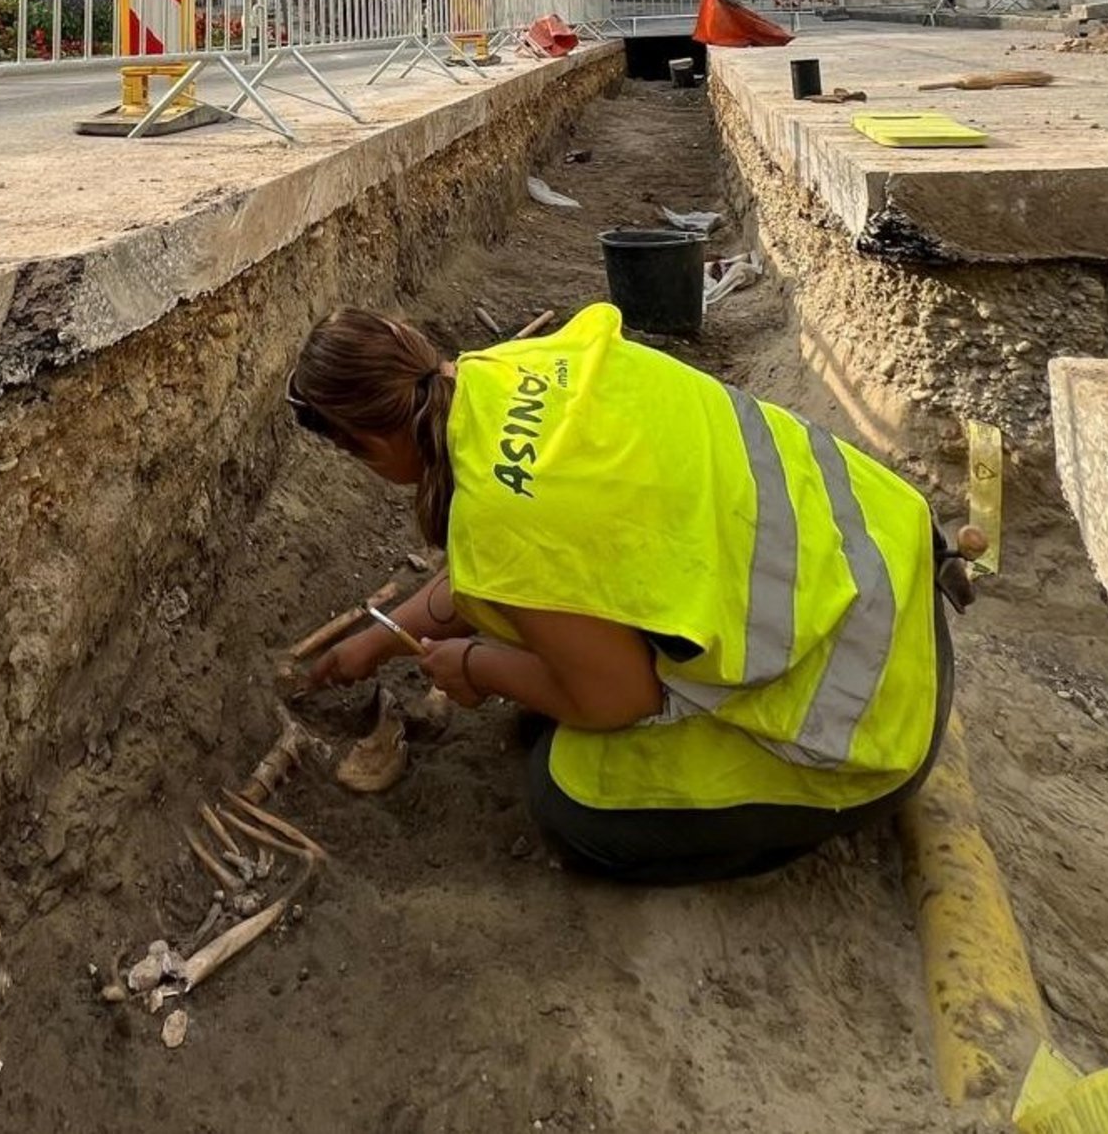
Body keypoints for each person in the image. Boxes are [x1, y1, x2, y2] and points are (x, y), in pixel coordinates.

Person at [289, 303, 958, 886]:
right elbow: (520, 558)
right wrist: (377, 642)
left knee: (569, 802)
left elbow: (618, 696)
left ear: (370, 442)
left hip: (869, 712)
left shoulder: (498, 519)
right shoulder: (506, 370)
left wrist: (475, 666)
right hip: (887, 562)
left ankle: (781, 822)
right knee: (546, 666)